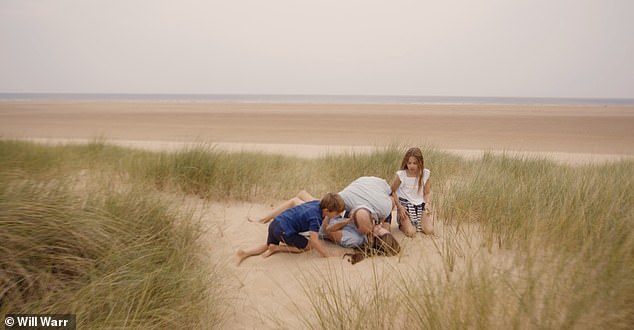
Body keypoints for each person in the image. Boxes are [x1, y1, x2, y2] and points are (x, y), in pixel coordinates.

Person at [235, 192, 345, 265]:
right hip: (284, 230)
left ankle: (245, 253)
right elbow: (314, 241)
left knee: (267, 245)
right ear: (326, 210)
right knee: (309, 246)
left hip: (275, 222)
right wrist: (327, 255)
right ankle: (276, 248)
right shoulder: (315, 218)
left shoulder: (317, 203)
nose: (338, 215)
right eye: (337, 213)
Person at [338, 176, 414, 237]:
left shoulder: (384, 207)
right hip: (361, 187)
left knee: (386, 233)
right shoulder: (347, 201)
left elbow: (392, 198)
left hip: (376, 188)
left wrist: (399, 207)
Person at [390, 147, 433, 235]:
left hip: (420, 205)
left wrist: (427, 204)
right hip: (405, 206)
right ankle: (402, 224)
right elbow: (392, 191)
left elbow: (427, 193)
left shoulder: (425, 174)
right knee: (411, 232)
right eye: (409, 163)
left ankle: (417, 221)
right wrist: (399, 207)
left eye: (415, 163)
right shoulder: (401, 175)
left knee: (429, 231)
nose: (411, 166)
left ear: (420, 162)